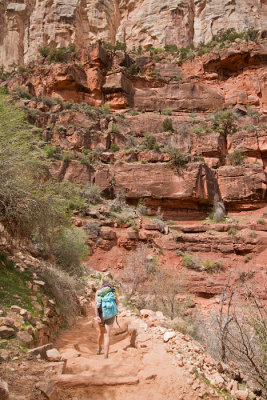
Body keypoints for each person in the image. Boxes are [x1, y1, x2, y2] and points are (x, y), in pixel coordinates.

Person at [95, 283, 118, 359]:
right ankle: (106, 355)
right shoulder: (113, 292)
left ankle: (99, 348)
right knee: (107, 335)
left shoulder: (98, 292)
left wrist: (97, 316)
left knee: (101, 332)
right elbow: (116, 302)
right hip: (110, 316)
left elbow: (96, 305)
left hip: (101, 315)